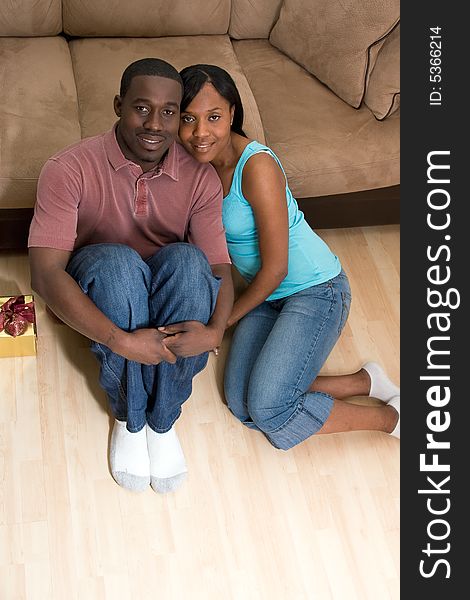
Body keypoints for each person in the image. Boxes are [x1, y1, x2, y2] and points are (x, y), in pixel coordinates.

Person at [28, 58, 234, 493]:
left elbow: (219, 268)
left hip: (164, 286)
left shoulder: (200, 177)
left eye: (168, 111)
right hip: (104, 288)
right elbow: (45, 276)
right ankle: (130, 416)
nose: (154, 124)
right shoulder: (66, 169)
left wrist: (216, 332)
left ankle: (162, 422)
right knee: (117, 266)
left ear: (179, 114)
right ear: (119, 105)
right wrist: (120, 340)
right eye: (142, 108)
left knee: (188, 262)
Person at [175, 64, 400, 451]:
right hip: (267, 295)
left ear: (232, 113)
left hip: (315, 290)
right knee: (242, 403)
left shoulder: (256, 165)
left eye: (213, 117)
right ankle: (363, 383)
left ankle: (391, 419)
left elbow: (277, 267)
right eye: (188, 119)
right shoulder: (196, 164)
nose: (200, 133)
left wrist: (220, 323)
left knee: (270, 408)